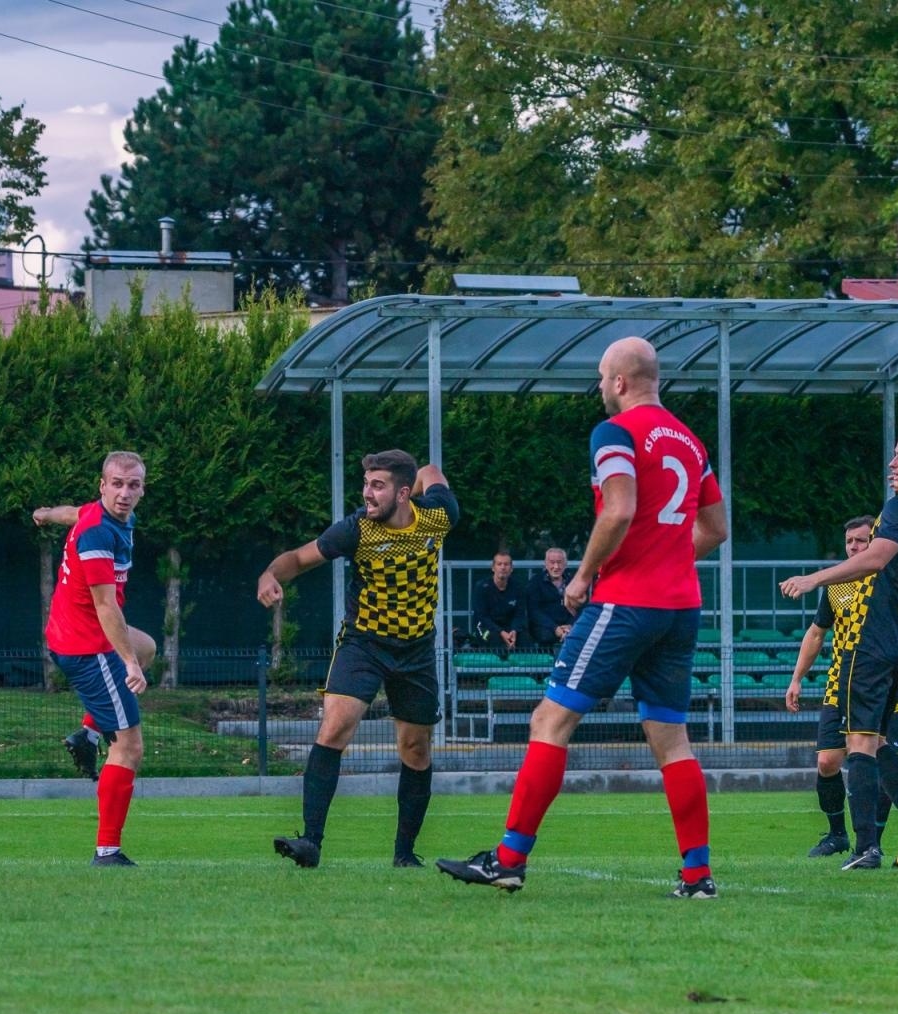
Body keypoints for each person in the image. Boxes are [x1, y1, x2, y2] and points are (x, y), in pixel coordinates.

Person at [437, 336, 728, 899]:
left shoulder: (614, 432)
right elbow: (715, 529)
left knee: (549, 722)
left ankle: (508, 859)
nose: (599, 388)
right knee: (672, 740)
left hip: (627, 602)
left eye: (601, 378)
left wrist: (582, 575)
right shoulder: (691, 442)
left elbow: (618, 508)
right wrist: (666, 556)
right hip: (681, 607)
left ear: (619, 381)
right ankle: (697, 877)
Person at [257, 450, 458, 869]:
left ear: (404, 494)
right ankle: (310, 841)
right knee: (335, 727)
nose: (367, 493)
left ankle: (404, 854)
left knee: (416, 749)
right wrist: (269, 575)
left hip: (417, 649)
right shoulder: (356, 529)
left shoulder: (439, 517)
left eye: (378, 485)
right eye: (366, 484)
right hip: (364, 644)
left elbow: (430, 472)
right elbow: (297, 558)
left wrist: (418, 480)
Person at [779, 429, 898, 871]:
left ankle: (865, 847)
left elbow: (877, 559)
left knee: (859, 742)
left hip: (873, 641)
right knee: (874, 740)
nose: (892, 465)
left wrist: (817, 577)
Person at [33, 450, 156, 867]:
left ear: (142, 488)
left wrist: (46, 513)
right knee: (129, 746)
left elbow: (72, 512)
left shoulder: (103, 515)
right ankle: (107, 851)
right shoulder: (98, 535)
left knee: (148, 646)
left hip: (74, 635)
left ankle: (87, 735)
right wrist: (129, 664)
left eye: (133, 485)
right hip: (88, 645)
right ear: (102, 485)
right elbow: (106, 607)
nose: (124, 493)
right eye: (116, 484)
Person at [469, 551, 527, 655]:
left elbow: (519, 614)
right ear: (493, 568)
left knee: (526, 643)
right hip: (485, 627)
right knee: (499, 646)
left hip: (509, 628)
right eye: (499, 564)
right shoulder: (481, 587)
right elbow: (482, 616)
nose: (503, 567)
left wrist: (514, 630)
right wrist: (501, 632)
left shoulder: (518, 587)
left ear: (511, 568)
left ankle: (532, 671)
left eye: (506, 564)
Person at [525, 546, 577, 649]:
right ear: (546, 563)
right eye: (552, 562)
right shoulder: (535, 582)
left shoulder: (573, 582)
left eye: (559, 562)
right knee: (545, 636)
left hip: (569, 625)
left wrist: (570, 625)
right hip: (545, 627)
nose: (556, 566)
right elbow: (534, 611)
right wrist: (555, 628)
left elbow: (581, 608)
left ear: (565, 564)